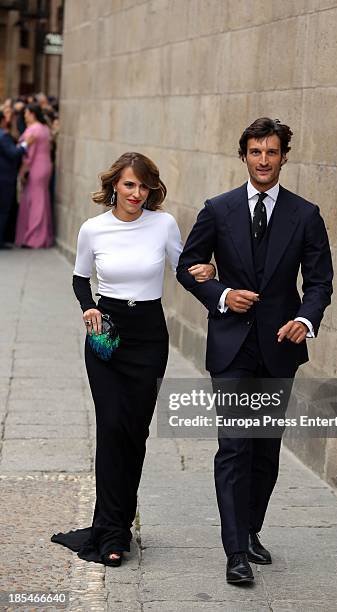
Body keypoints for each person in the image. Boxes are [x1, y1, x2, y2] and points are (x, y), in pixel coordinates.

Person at [176, 117, 333, 584]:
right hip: (231, 348)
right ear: (243, 156)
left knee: (265, 450)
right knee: (234, 446)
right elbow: (188, 266)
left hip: (280, 348)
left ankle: (250, 530)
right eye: (255, 152)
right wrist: (222, 295)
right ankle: (235, 552)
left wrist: (305, 319)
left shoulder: (305, 215)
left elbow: (320, 281)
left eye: (271, 152)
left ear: (284, 156)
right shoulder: (218, 209)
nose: (263, 160)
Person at [51, 152, 215, 566]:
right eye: (129, 185)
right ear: (114, 186)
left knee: (135, 432)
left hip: (148, 336)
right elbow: (79, 276)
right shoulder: (94, 229)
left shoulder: (163, 225)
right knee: (110, 427)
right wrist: (88, 306)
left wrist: (206, 276)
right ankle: (110, 533)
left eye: (143, 186)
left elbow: (181, 269)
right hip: (106, 334)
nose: (137, 194)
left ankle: (121, 522)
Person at [15, 103, 53, 248]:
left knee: (35, 201)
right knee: (41, 199)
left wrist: (23, 170)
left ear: (32, 113)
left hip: (36, 167)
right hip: (45, 165)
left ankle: (34, 237)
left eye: (26, 113)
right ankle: (41, 235)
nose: (24, 116)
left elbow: (28, 153)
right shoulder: (44, 128)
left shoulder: (33, 129)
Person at [0, 109, 32, 249]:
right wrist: (26, 144)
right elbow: (13, 153)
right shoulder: (3, 136)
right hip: (4, 179)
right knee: (3, 210)